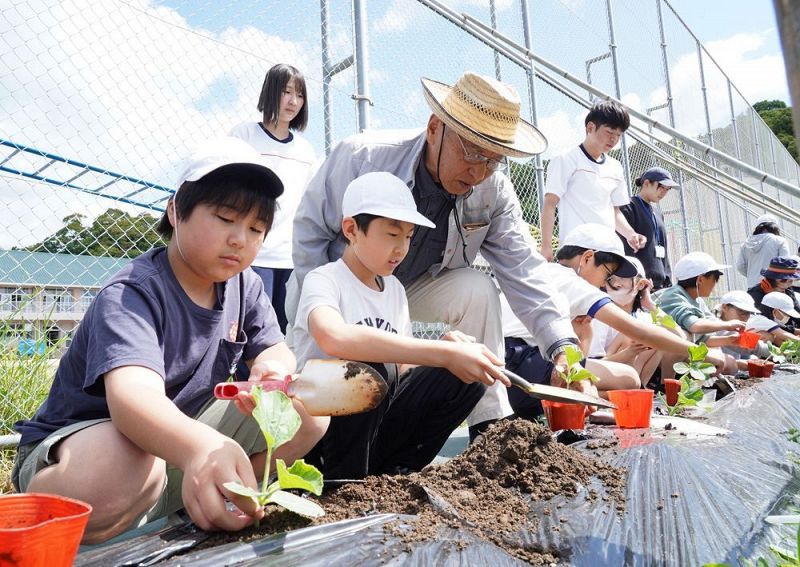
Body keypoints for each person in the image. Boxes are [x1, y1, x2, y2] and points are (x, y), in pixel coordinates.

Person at [12, 138, 328, 544]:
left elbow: (274, 348)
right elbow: (132, 402)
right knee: (124, 461)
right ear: (175, 211)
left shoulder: (244, 285)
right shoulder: (132, 293)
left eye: (256, 229)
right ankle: (73, 526)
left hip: (175, 448)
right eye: (225, 218)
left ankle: (214, 499)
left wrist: (272, 370)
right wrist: (201, 447)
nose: (240, 239)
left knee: (307, 410)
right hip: (86, 450)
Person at [289, 71, 582, 440]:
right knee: (322, 403)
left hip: (402, 296)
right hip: (340, 293)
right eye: (472, 151)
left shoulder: (493, 191)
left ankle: (491, 428)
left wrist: (563, 346)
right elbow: (309, 233)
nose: (478, 171)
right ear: (434, 128)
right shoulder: (364, 157)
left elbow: (524, 269)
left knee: (477, 288)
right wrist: (327, 303)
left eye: (493, 160)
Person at [292, 172, 507, 479]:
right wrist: (438, 352)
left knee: (465, 375)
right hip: (322, 431)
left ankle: (396, 472)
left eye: (408, 237)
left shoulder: (393, 289)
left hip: (373, 429)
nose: (402, 248)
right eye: (392, 235)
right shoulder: (325, 279)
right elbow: (333, 337)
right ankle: (342, 482)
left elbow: (402, 372)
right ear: (352, 229)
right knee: (369, 363)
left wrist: (446, 352)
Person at [502, 224, 725, 417]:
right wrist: (699, 352)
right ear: (588, 258)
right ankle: (568, 402)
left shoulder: (542, 272)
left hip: (506, 367)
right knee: (628, 378)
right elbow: (641, 331)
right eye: (607, 274)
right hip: (522, 368)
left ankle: (571, 401)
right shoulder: (571, 282)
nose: (603, 284)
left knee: (625, 377)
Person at [230, 63, 316, 333]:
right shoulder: (244, 135)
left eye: (300, 95)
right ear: (270, 92)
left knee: (282, 332)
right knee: (247, 330)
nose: (293, 101)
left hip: (291, 258)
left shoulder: (305, 150)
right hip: (253, 254)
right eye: (286, 91)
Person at [539, 100, 645, 261]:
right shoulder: (566, 159)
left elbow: (614, 211)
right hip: (576, 249)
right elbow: (550, 203)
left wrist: (630, 233)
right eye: (610, 132)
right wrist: (546, 247)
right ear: (590, 128)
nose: (614, 139)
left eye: (619, 135)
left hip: (608, 249)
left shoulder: (615, 167)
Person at [589, 257, 671, 388]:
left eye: (623, 278)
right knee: (632, 333)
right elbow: (592, 366)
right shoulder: (601, 316)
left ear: (641, 284)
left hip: (633, 378)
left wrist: (650, 304)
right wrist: (629, 353)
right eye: (611, 278)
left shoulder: (643, 317)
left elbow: (678, 336)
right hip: (603, 379)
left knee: (658, 334)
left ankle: (640, 390)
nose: (616, 283)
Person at [657, 251, 745, 373]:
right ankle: (664, 385)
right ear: (701, 280)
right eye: (715, 279)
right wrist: (728, 325)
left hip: (677, 351)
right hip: (654, 354)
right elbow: (694, 326)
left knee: (727, 362)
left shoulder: (696, 300)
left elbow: (701, 339)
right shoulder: (674, 296)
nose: (715, 284)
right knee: (684, 335)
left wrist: (729, 340)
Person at [618, 167, 679, 290]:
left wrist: (668, 278)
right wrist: (635, 278)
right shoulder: (628, 207)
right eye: (661, 187)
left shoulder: (658, 212)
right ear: (646, 183)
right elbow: (626, 248)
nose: (664, 192)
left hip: (660, 285)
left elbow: (664, 248)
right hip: (639, 284)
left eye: (668, 189)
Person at [747, 256, 800, 332]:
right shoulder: (755, 294)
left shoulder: (787, 290)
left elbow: (797, 313)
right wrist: (793, 331)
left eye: (790, 281)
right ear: (771, 278)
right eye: (783, 280)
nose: (787, 285)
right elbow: (765, 323)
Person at [736, 214, 790, 287]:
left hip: (753, 287)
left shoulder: (746, 244)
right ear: (775, 227)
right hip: (773, 287)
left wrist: (752, 274)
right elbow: (785, 265)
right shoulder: (779, 241)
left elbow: (740, 266)